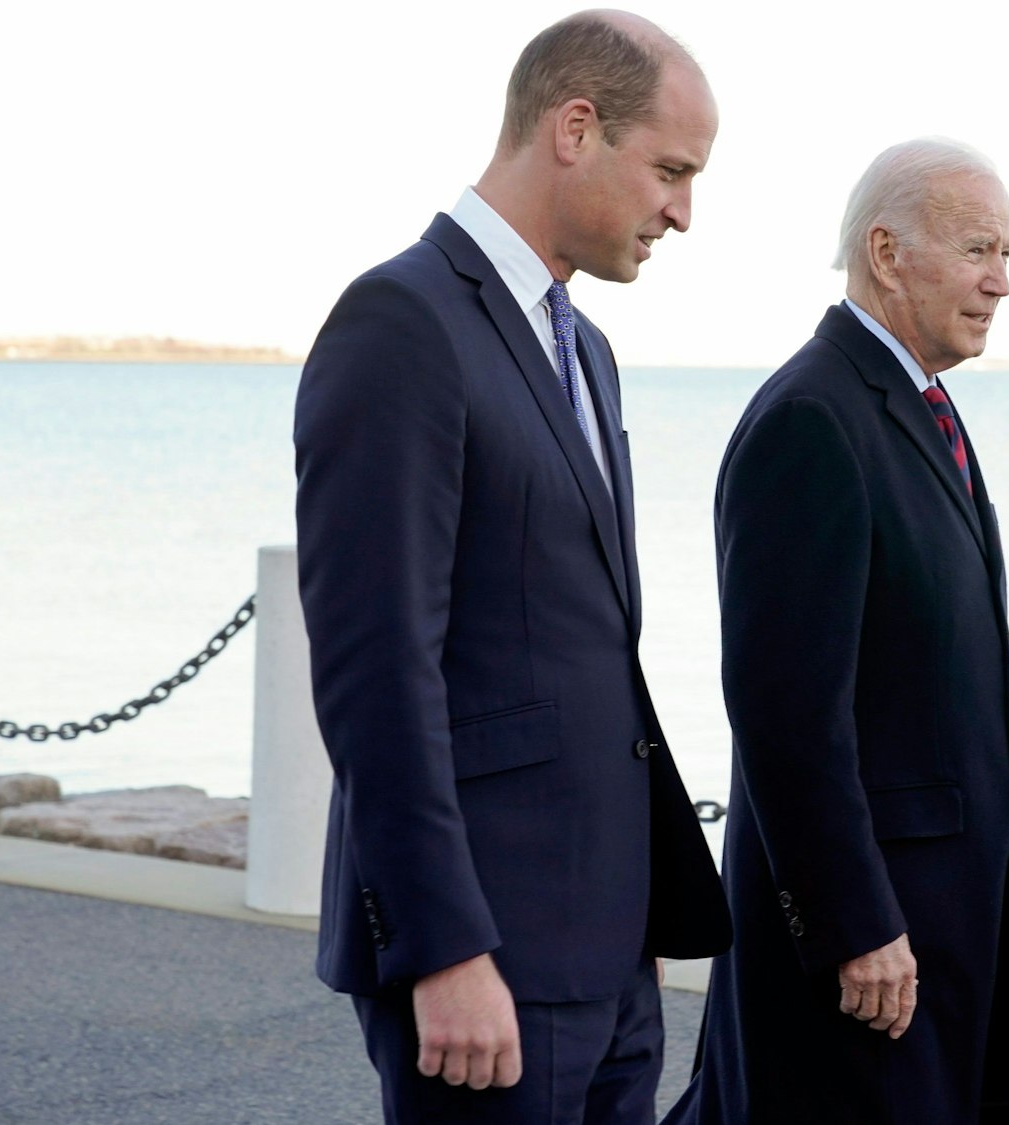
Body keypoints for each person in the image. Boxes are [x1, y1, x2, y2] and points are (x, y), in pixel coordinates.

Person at [664, 139, 1009, 1124]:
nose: (1001, 282)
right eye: (980, 250)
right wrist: (853, 922)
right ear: (888, 253)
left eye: (1007, 253)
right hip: (874, 940)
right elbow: (785, 711)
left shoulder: (917, 405)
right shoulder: (811, 419)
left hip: (951, 914)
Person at [292, 11, 729, 1122]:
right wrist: (442, 950)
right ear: (575, 128)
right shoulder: (400, 321)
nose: (682, 212)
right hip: (482, 960)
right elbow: (376, 668)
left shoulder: (585, 348)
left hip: (609, 958)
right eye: (671, 171)